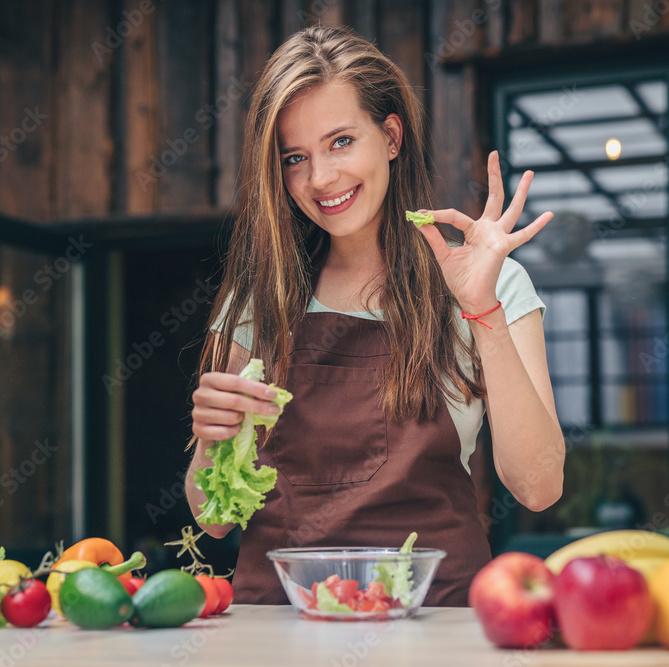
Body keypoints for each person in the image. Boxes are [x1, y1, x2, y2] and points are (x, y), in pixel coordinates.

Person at [184, 25, 565, 607]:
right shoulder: (259, 296)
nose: (321, 178)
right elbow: (214, 519)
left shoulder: (490, 283)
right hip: (279, 629)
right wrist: (210, 442)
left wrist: (481, 309)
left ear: (390, 136)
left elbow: (538, 487)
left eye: (341, 142)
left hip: (436, 625)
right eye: (295, 158)